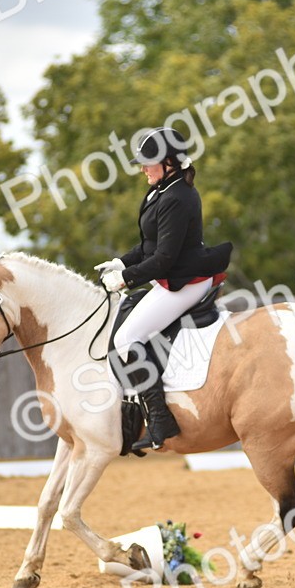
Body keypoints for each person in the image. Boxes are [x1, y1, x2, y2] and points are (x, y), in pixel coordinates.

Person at [96, 127, 229, 451]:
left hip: (185, 282)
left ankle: (159, 418)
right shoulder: (162, 190)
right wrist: (121, 262)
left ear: (169, 162)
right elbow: (149, 246)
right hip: (170, 276)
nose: (142, 168)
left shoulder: (179, 197)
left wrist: (127, 278)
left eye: (148, 162)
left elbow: (165, 258)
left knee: (127, 338)